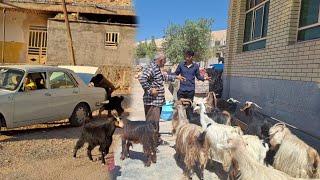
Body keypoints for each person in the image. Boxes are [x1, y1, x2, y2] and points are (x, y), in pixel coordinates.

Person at [139, 52, 185, 144]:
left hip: (157, 102)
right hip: (152, 102)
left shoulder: (156, 68)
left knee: (155, 123)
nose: (164, 63)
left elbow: (164, 77)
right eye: (164, 61)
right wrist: (150, 90)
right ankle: (150, 144)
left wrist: (176, 77)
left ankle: (156, 140)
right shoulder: (151, 67)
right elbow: (142, 79)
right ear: (160, 60)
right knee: (151, 124)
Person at [175, 50, 210, 121]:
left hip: (190, 91)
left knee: (189, 109)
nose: (186, 58)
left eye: (188, 56)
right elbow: (175, 74)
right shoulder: (181, 65)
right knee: (180, 108)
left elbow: (198, 77)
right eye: (186, 56)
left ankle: (189, 123)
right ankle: (180, 123)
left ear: (191, 57)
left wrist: (205, 78)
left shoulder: (196, 66)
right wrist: (176, 77)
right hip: (181, 90)